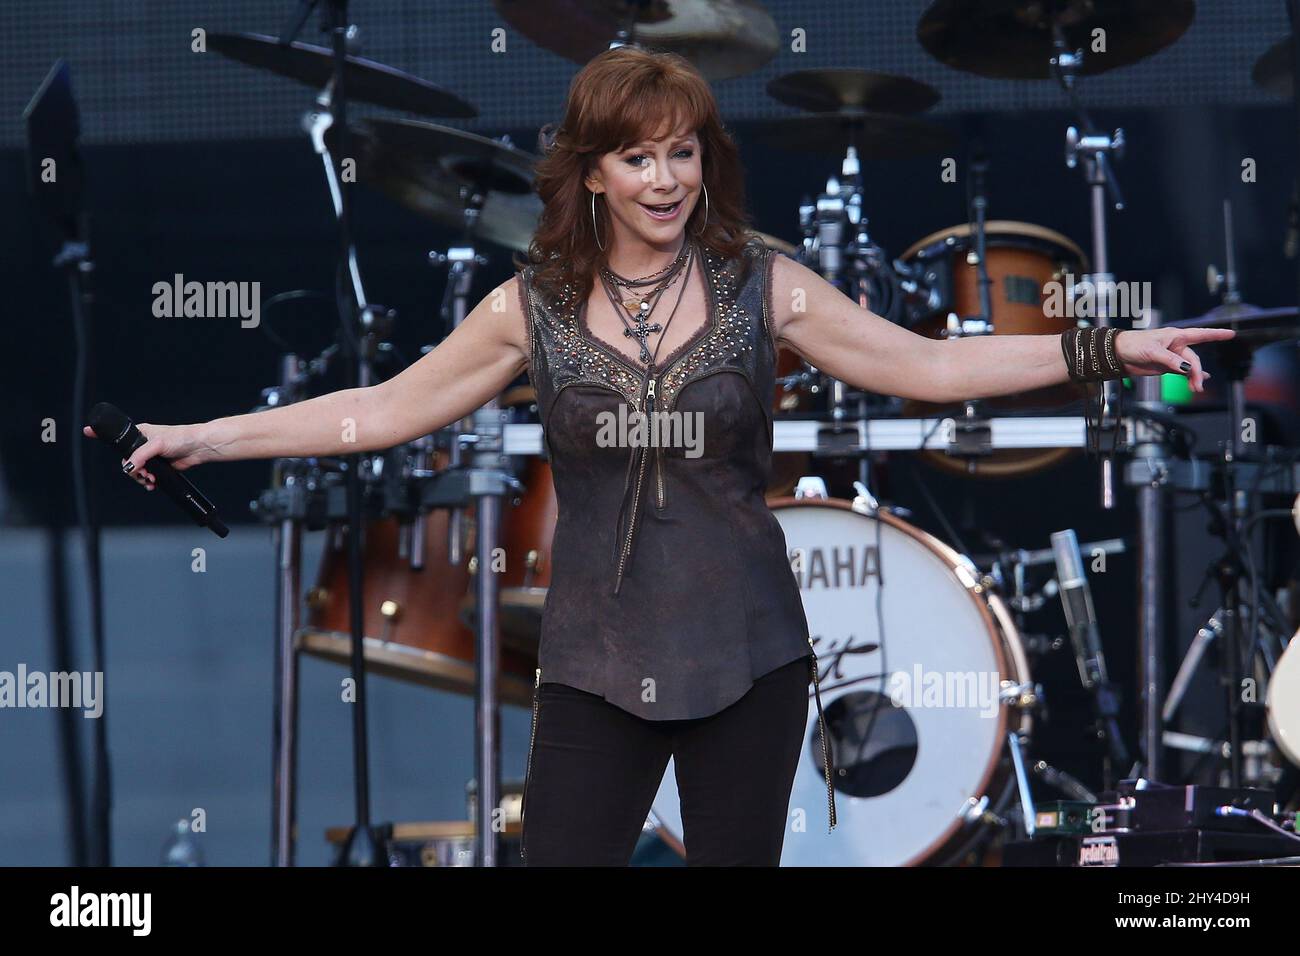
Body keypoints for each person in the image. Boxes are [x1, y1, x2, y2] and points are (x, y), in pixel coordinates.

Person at [86, 46, 1235, 866]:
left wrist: (1108, 344)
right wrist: (202, 435)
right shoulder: (526, 306)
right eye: (638, 159)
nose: (666, 179)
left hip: (748, 650)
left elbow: (929, 367)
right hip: (595, 658)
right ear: (592, 173)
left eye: (682, 152)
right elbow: (381, 411)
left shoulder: (764, 283)